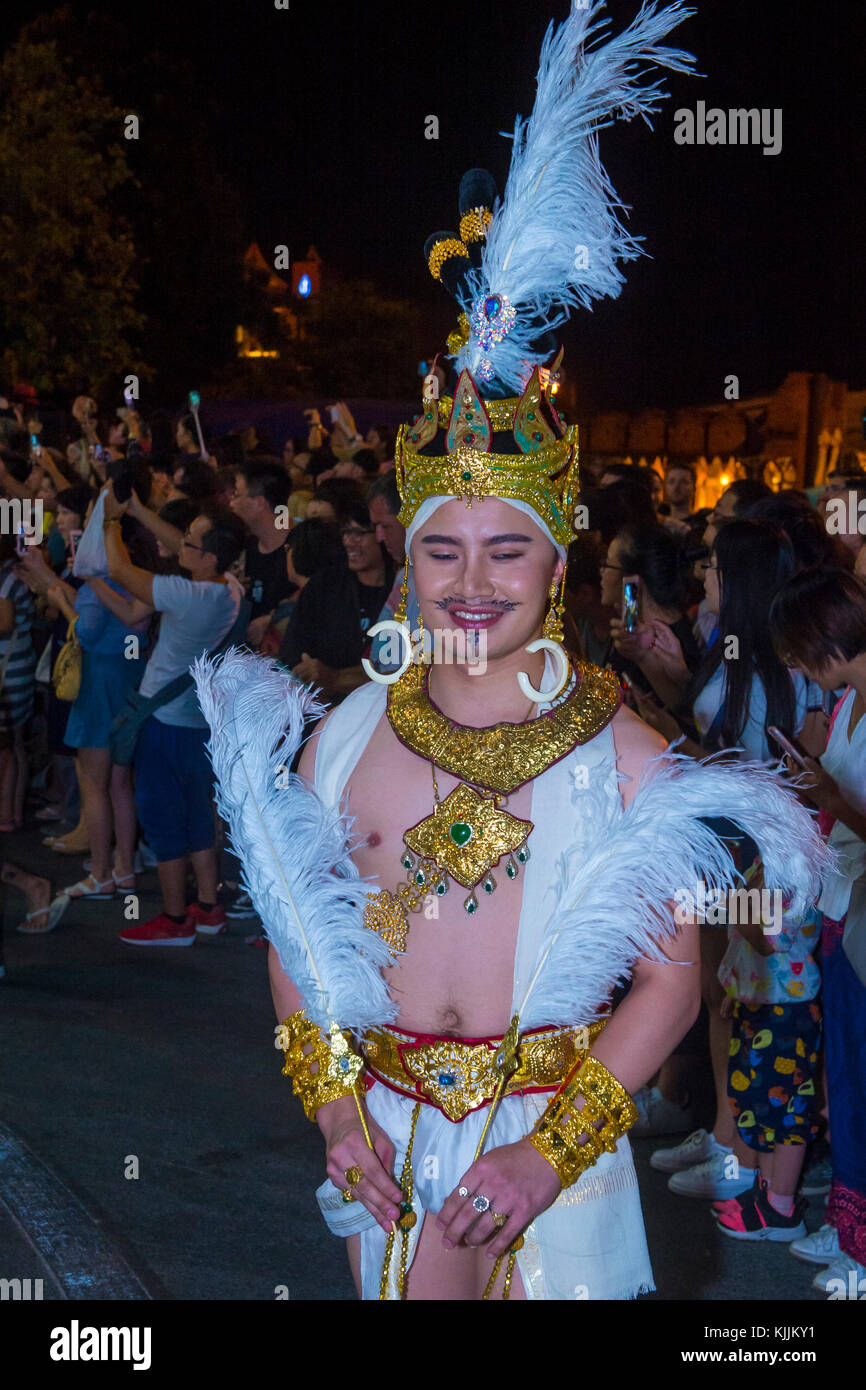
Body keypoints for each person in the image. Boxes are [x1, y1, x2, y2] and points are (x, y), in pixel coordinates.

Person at [768, 568, 866, 1291]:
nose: (796, 669)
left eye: (798, 652)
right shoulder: (849, 700)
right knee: (848, 1073)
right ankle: (852, 1225)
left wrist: (833, 795)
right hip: (841, 902)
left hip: (862, 908)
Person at [100, 482, 248, 945]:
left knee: (164, 819)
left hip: (163, 726)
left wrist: (109, 521)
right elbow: (189, 542)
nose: (178, 544)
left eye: (190, 543)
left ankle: (175, 918)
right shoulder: (229, 589)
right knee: (197, 816)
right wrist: (139, 509)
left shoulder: (188, 596)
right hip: (199, 724)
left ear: (206, 558)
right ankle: (208, 909)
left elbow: (121, 571)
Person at [279, 498, 394, 700]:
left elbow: (399, 670)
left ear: (381, 534)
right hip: (327, 710)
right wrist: (308, 670)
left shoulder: (403, 589)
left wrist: (335, 678)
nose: (349, 541)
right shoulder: (324, 585)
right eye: (345, 533)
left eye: (358, 533)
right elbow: (292, 650)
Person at [230, 462, 293, 649]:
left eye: (237, 495)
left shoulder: (299, 551)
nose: (231, 503)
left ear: (260, 503)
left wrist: (274, 619)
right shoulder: (243, 549)